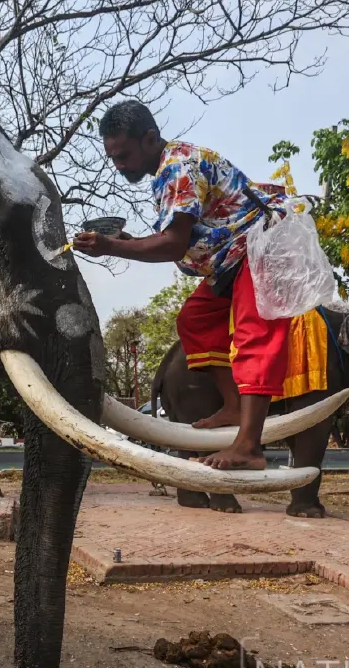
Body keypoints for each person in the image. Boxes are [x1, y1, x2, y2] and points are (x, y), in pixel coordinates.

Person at [73, 99, 290, 471]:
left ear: (150, 138)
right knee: (196, 319)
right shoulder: (168, 168)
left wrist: (113, 247)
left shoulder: (178, 167)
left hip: (262, 247)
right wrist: (125, 241)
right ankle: (234, 405)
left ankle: (249, 447)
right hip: (229, 260)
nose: (119, 166)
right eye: (113, 158)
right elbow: (182, 236)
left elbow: (172, 244)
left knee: (255, 333)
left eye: (123, 155)